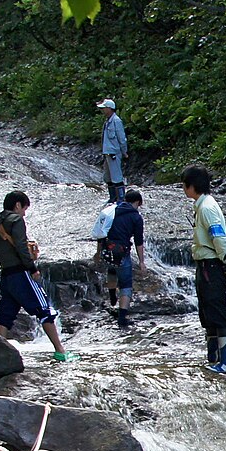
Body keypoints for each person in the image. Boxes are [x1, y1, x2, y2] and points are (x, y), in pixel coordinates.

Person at [0, 190, 68, 362]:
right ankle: (60, 351)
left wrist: (0, 258)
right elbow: (21, 247)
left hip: (6, 276)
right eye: (24, 208)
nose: (24, 213)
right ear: (17, 205)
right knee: (44, 309)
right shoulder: (16, 220)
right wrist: (32, 269)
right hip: (21, 273)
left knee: (5, 316)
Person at [183, 166, 226, 373]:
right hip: (206, 265)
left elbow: (219, 237)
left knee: (217, 309)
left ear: (191, 185)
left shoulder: (206, 208)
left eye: (184, 184)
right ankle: (214, 357)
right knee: (208, 311)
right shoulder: (202, 205)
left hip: (212, 265)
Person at [107, 188, 145, 329]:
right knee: (126, 284)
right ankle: (122, 318)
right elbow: (139, 241)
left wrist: (98, 253)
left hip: (108, 249)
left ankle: (112, 296)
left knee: (111, 271)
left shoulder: (112, 211)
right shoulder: (136, 217)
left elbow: (101, 231)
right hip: (122, 251)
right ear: (137, 202)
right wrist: (141, 262)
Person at [97, 97, 127, 203]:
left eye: (104, 108)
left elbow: (121, 138)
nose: (102, 110)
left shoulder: (116, 121)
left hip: (114, 152)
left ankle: (121, 199)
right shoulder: (108, 121)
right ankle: (112, 198)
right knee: (108, 177)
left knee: (117, 177)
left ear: (110, 108)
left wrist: (124, 151)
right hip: (107, 153)